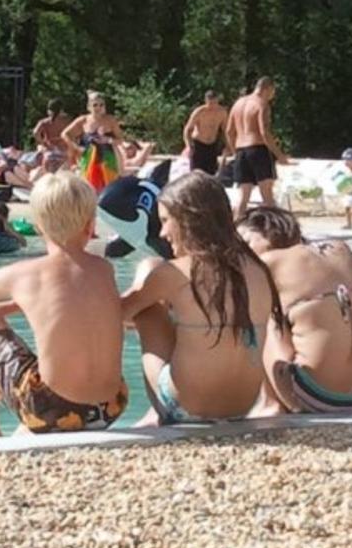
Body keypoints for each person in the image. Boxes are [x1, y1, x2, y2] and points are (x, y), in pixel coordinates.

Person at [0, 171, 127, 437]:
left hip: (52, 409)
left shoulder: (24, 274)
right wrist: (11, 306)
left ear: (39, 227)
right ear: (90, 225)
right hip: (109, 407)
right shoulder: (104, 269)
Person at [122, 171, 282, 425]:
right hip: (242, 406)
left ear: (188, 219)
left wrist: (144, 285)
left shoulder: (175, 273)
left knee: (148, 308)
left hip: (184, 409)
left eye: (166, 220)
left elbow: (116, 315)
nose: (162, 233)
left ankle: (154, 416)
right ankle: (152, 416)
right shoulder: (258, 269)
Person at [236, 207, 352, 413]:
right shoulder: (341, 250)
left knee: (261, 317)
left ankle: (270, 404)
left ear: (269, 234)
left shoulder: (267, 264)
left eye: (245, 243)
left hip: (312, 395)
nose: (239, 254)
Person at [226, 76, 290, 217]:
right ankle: (275, 227)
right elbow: (264, 132)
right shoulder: (261, 104)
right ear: (267, 88)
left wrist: (235, 152)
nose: (272, 96)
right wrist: (279, 155)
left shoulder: (238, 103)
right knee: (267, 195)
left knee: (243, 197)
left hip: (241, 150)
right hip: (258, 149)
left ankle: (236, 226)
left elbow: (229, 131)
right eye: (273, 92)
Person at [61, 90, 124, 192]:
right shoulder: (83, 120)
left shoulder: (110, 120)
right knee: (88, 186)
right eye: (95, 105)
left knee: (108, 186)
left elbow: (120, 139)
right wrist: (76, 147)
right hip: (88, 157)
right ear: (89, 107)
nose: (98, 108)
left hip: (107, 158)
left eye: (101, 105)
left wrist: (108, 140)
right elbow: (65, 134)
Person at [183, 90, 228, 176]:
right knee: (196, 173)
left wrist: (227, 146)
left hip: (212, 145)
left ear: (217, 101)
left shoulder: (222, 113)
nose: (212, 106)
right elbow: (187, 129)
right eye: (210, 103)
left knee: (211, 173)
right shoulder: (199, 112)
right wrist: (188, 145)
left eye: (214, 103)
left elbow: (225, 130)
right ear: (206, 101)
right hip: (198, 145)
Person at [32, 98, 71, 172]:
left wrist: (43, 143)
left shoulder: (44, 122)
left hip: (50, 149)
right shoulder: (66, 121)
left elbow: (35, 132)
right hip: (64, 150)